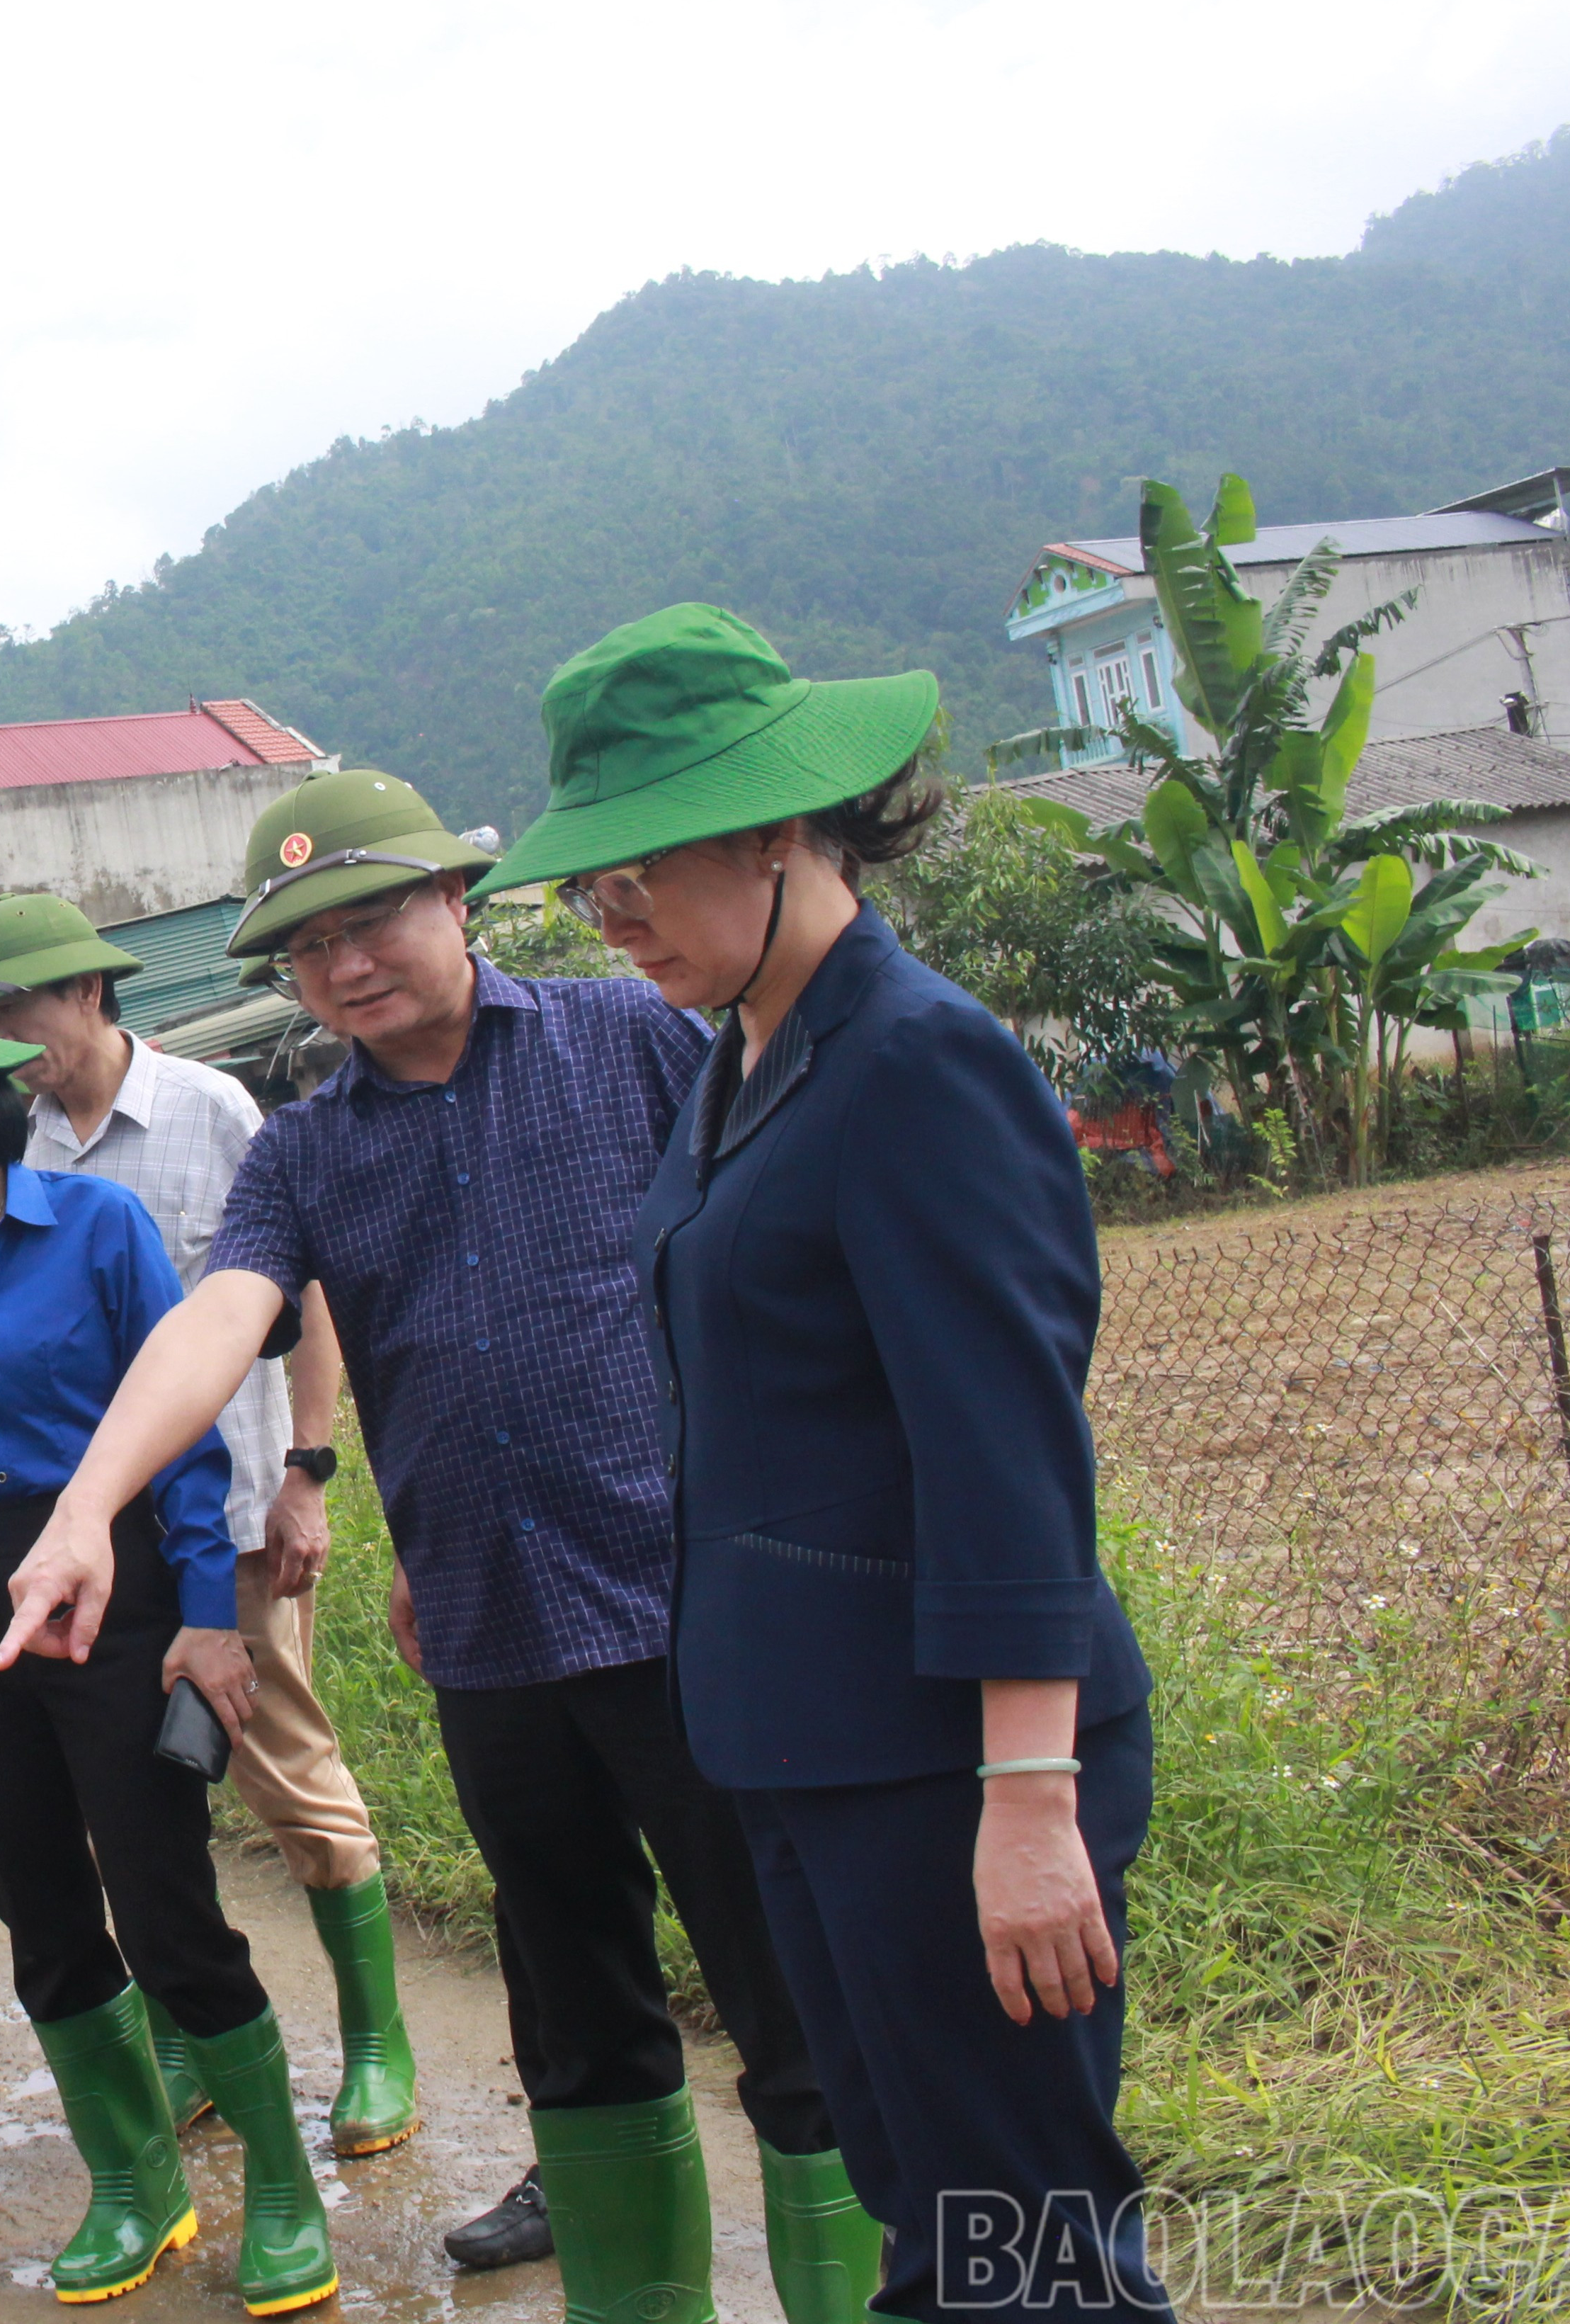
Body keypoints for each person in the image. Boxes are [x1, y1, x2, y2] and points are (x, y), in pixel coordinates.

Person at [0, 768, 878, 2324]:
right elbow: (222, 1316)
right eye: (306, 947)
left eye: (373, 919)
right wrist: (85, 1510)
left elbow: (793, 1242)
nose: (344, 966)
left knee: (787, 1993)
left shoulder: (633, 1040)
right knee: (579, 2013)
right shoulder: (305, 1151)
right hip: (489, 1631)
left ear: (457, 900)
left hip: (689, 1604)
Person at [474, 603, 1168, 2321]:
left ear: (781, 828)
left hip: (951, 1761)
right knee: (925, 2215)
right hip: (804, 1746)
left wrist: (1029, 1798)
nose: (611, 915)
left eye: (643, 869)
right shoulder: (744, 1059)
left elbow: (1004, 1444)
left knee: (1026, 2246)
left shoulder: (917, 1059)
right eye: (591, 884)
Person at [0, 970, 334, 2318]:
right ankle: (137, 2186)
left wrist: (206, 1615)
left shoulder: (99, 1225)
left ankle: (281, 2188)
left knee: (165, 1902)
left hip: (115, 1580)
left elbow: (186, 1440)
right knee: (37, 1907)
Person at [0, 892, 416, 2161]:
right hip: (95, 1536)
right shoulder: (12, 1147)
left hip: (233, 1511)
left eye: (16, 1011)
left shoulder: (214, 1111)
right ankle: (187, 2039)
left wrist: (307, 1469)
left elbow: (307, 1297)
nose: (2, 1040)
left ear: (91, 993)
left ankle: (375, 2041)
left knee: (283, 1768)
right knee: (129, 1795)